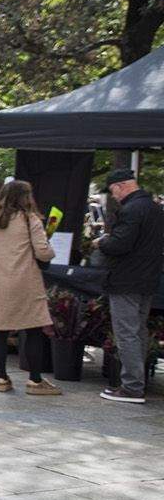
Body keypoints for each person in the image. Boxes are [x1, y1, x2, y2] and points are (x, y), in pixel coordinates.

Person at [0, 179, 58, 395]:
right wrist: (51, 250)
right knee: (32, 330)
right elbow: (42, 252)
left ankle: (2, 378)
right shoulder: (29, 219)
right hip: (25, 282)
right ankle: (34, 380)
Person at [94, 168, 164, 404]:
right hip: (148, 279)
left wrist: (102, 242)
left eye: (113, 192)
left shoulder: (131, 209)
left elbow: (120, 245)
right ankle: (137, 382)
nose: (114, 197)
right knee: (139, 331)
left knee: (127, 333)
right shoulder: (154, 207)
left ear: (120, 187)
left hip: (127, 280)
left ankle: (132, 387)